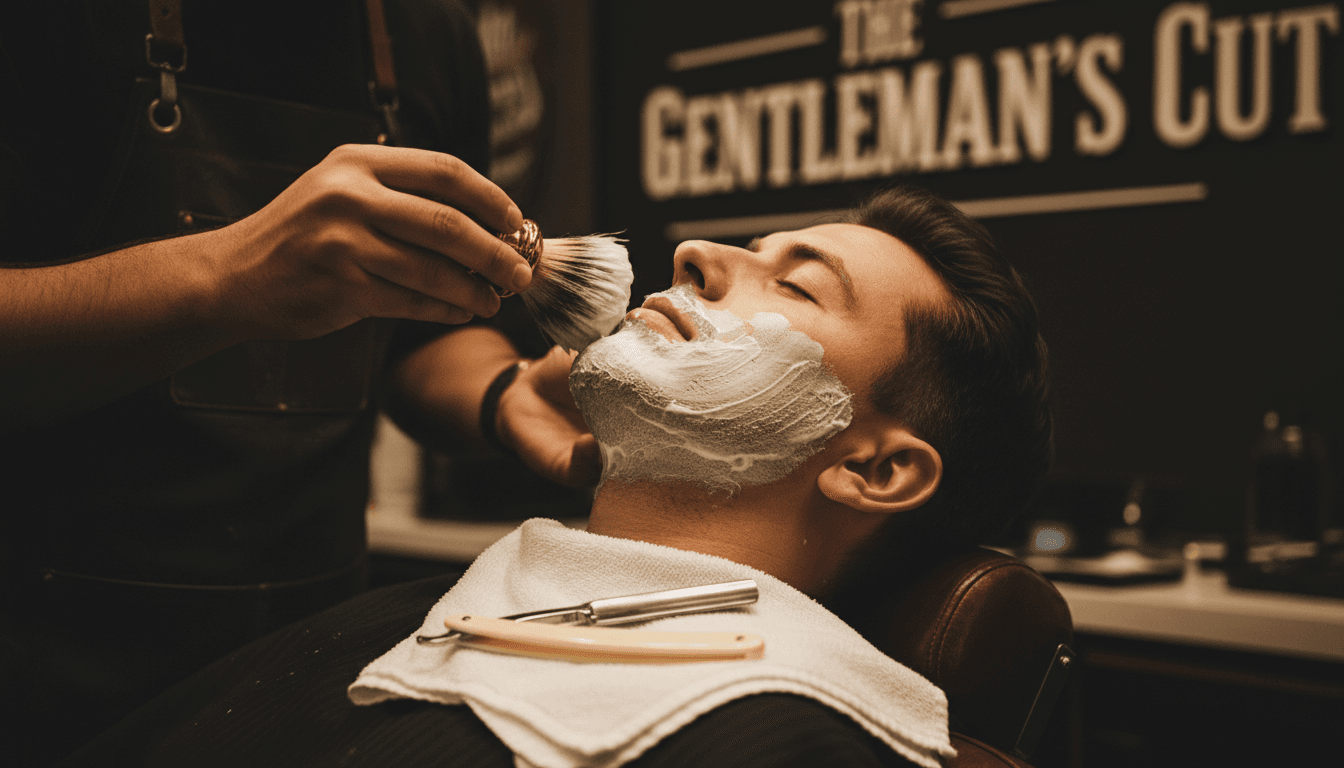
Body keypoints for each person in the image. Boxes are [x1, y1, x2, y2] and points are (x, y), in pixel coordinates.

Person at [58, 185, 1053, 768]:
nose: (697, 252)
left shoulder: (766, 740)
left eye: (794, 285)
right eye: (747, 250)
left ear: (875, 468)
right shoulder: (444, 615)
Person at [0, 1, 596, 764]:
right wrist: (221, 278)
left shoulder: (430, 36)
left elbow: (415, 339)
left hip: (308, 661)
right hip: (43, 664)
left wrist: (500, 393)